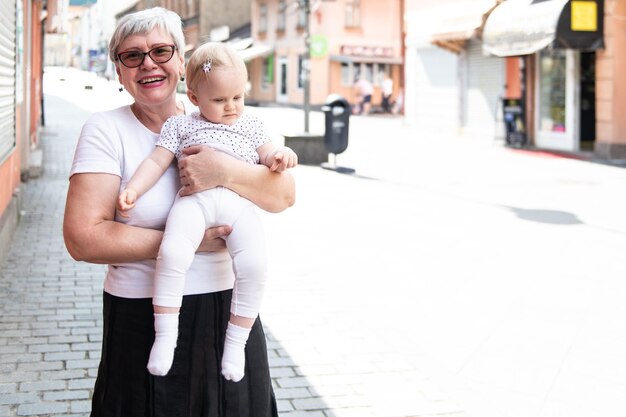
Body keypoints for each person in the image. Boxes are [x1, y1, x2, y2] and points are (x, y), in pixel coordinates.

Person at [63, 7, 294, 417]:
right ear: (118, 72)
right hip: (143, 313)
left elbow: (283, 196)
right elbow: (83, 237)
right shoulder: (105, 129)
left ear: (181, 62)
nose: (148, 63)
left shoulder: (227, 116)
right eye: (132, 56)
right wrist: (187, 245)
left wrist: (224, 170)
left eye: (160, 50)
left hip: (227, 309)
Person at [116, 41, 298, 380]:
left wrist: (282, 155)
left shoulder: (252, 125)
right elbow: (156, 161)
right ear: (196, 98)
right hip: (193, 203)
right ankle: (166, 336)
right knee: (171, 254)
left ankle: (236, 343)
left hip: (239, 208)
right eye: (220, 100)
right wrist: (133, 190)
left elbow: (271, 158)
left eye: (238, 97)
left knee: (255, 266)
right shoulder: (180, 126)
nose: (231, 107)